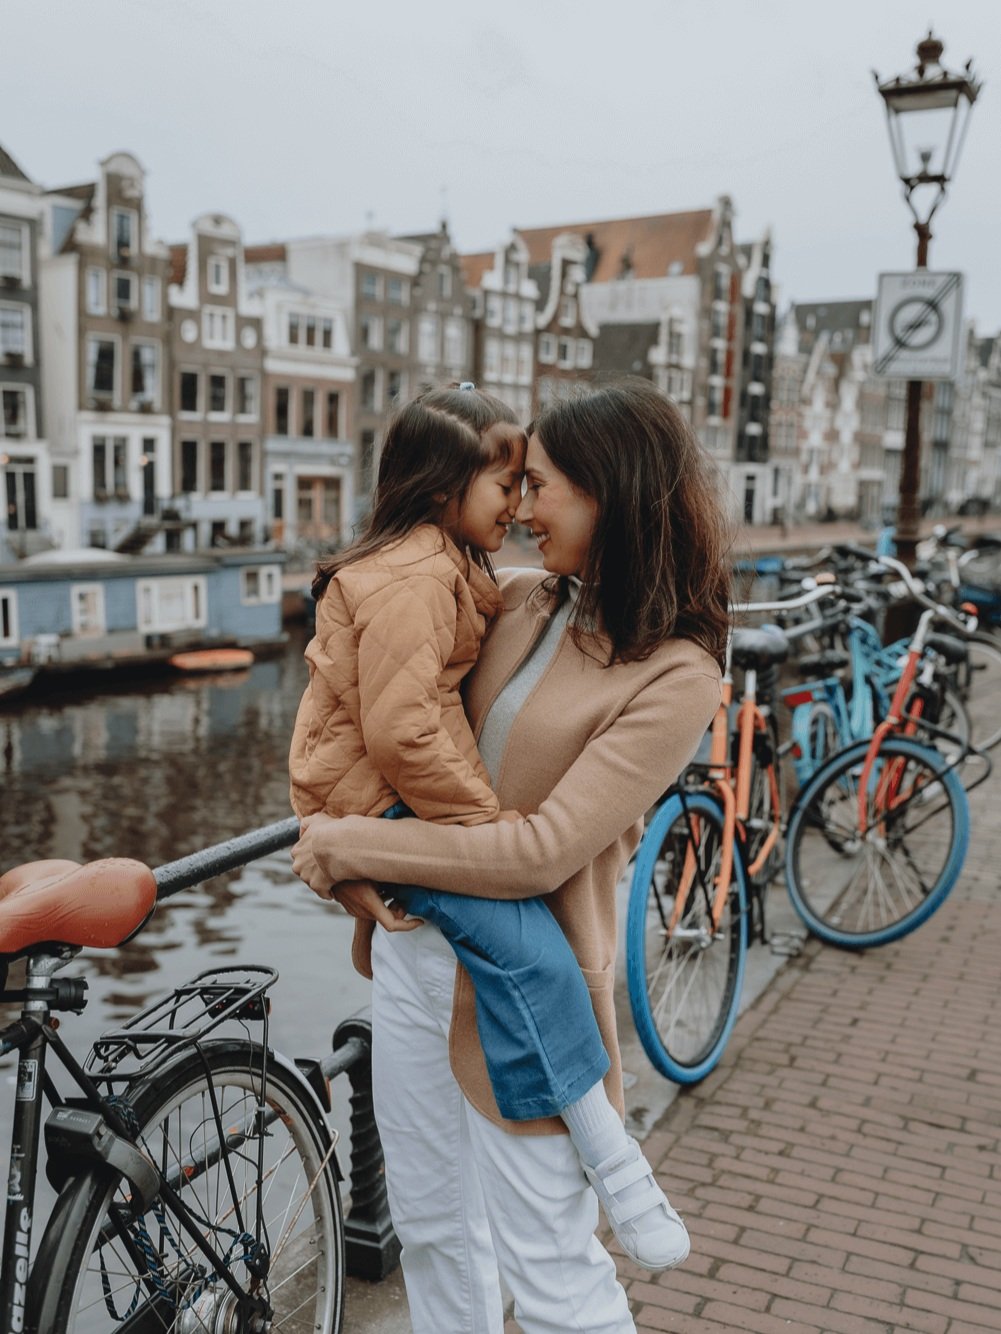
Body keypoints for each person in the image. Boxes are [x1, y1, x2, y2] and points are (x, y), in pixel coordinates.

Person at [292, 378, 731, 1334]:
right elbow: (394, 703)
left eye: (542, 487)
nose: (522, 509)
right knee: (434, 1228)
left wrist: (336, 844)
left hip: (524, 992)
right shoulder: (519, 598)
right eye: (516, 486)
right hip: (413, 951)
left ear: (612, 493)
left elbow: (539, 854)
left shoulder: (677, 676)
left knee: (554, 1271)